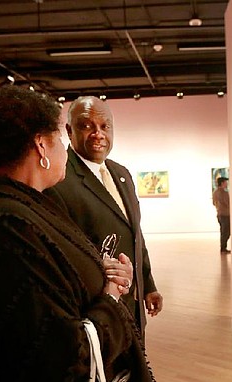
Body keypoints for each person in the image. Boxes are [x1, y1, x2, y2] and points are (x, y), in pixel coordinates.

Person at [0, 86, 161, 382]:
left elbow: (54, 271)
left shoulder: (19, 206)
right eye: (61, 138)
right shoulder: (5, 223)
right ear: (42, 147)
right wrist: (110, 297)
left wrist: (102, 271)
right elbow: (54, 355)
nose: (66, 149)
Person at [45, 96, 163, 337]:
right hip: (96, 310)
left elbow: (134, 233)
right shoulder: (58, 180)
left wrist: (147, 285)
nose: (98, 134)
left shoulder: (121, 173)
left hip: (131, 305)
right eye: (86, 125)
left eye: (105, 126)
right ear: (69, 130)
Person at [212, 177, 231, 254]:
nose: (227, 184)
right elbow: (227, 203)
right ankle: (223, 248)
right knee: (226, 232)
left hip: (220, 214)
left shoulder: (215, 192)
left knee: (224, 231)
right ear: (222, 183)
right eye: (226, 182)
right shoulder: (223, 193)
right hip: (225, 215)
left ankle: (223, 247)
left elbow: (214, 203)